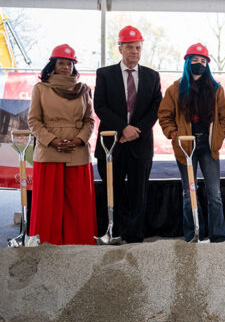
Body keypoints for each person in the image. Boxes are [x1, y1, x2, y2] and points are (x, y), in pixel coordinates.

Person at [94, 26, 162, 243]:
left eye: (138, 47)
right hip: (111, 144)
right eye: (130, 47)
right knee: (111, 191)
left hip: (140, 144)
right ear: (120, 48)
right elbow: (100, 106)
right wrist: (123, 127)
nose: (135, 51)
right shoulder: (105, 74)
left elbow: (155, 108)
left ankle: (134, 236)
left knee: (138, 193)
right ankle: (112, 232)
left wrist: (136, 131)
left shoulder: (152, 76)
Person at [158, 43, 225, 242]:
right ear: (187, 62)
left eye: (203, 61)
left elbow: (223, 117)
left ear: (207, 64)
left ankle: (218, 235)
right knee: (189, 192)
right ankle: (194, 233)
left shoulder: (216, 89)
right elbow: (165, 115)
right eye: (195, 60)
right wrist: (173, 133)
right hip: (185, 146)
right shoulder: (175, 89)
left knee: (214, 193)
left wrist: (220, 135)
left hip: (209, 147)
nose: (199, 64)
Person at [27, 44, 96, 244]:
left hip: (77, 151)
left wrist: (79, 139)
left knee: (78, 203)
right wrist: (52, 141)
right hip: (49, 151)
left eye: (69, 63)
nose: (66, 67)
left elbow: (89, 120)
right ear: (53, 64)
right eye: (61, 62)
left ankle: (79, 242)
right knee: (47, 203)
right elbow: (34, 121)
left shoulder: (83, 89)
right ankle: (47, 242)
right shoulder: (40, 89)